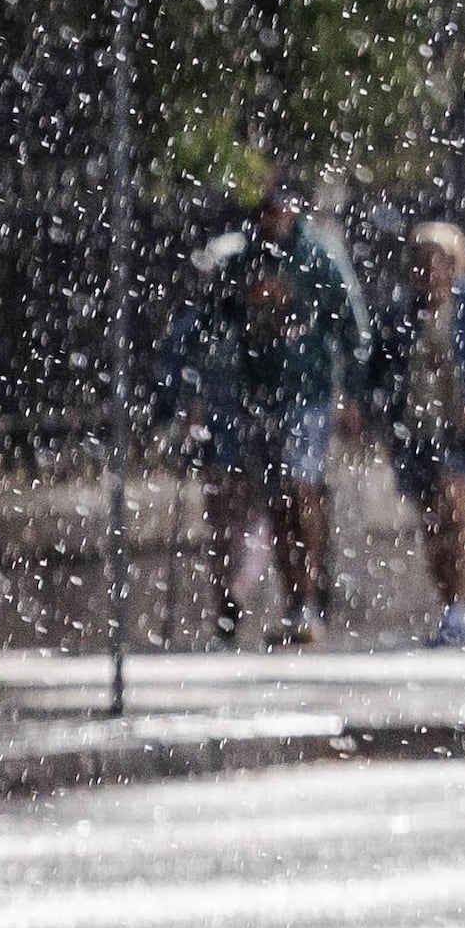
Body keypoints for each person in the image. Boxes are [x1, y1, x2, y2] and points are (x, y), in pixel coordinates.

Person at [202, 174, 368, 646]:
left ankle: (308, 598)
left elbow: (351, 328)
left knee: (303, 488)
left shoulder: (318, 259)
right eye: (268, 211)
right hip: (260, 393)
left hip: (307, 392)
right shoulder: (245, 262)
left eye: (282, 210)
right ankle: (296, 596)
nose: (275, 219)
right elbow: (218, 318)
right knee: (277, 497)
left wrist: (351, 393)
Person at [363, 219, 465, 647]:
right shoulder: (399, 313)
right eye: (422, 262)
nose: (431, 271)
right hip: (416, 430)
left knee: (456, 509)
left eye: (439, 261)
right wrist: (374, 409)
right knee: (432, 521)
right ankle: (447, 601)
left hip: (462, 430)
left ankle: (459, 606)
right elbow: (377, 369)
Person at [150, 229, 266, 644]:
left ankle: (233, 593)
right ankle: (229, 596)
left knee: (239, 519)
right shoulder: (200, 323)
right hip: (220, 431)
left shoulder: (255, 319)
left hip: (248, 429)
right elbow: (173, 372)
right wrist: (186, 408)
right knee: (230, 519)